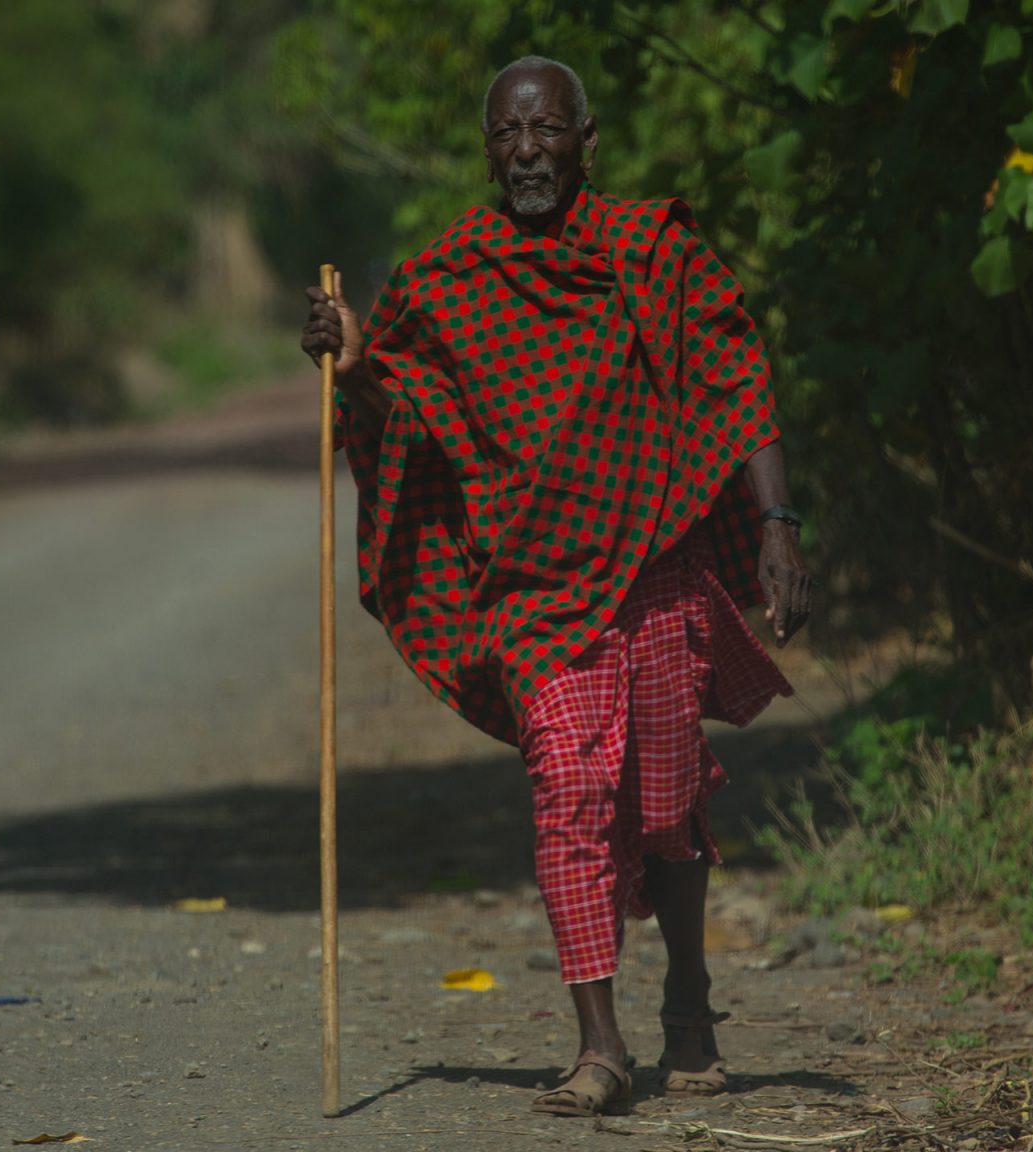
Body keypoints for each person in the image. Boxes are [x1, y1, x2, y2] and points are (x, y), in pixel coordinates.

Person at [300, 54, 813, 1118]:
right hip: (532, 593)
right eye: (505, 135)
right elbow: (399, 404)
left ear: (588, 138)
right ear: (486, 150)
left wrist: (773, 526)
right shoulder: (445, 278)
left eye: (544, 131)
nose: (525, 152)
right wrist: (348, 364)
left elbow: (735, 376)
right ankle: (599, 1048)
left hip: (655, 569)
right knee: (570, 796)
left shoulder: (650, 251)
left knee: (664, 809)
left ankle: (687, 1005)